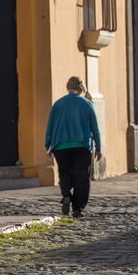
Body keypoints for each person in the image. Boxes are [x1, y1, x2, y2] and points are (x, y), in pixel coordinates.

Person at [45, 76, 102, 218]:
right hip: (81, 145)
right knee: (81, 177)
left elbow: (50, 126)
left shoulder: (57, 104)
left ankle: (66, 195)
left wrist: (48, 145)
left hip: (60, 145)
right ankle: (77, 209)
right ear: (81, 89)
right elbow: (95, 128)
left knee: (64, 173)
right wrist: (99, 148)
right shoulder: (87, 104)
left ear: (68, 87)